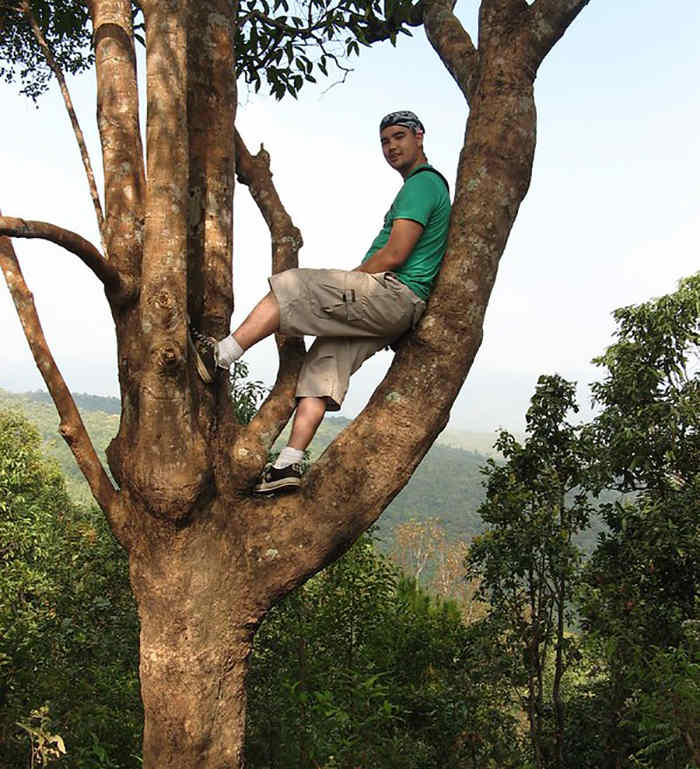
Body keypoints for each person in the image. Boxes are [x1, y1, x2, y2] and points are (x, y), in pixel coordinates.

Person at [190, 110, 451, 493]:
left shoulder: (423, 185)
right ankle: (288, 464)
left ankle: (222, 355)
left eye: (399, 137)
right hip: (401, 308)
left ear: (419, 137)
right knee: (323, 366)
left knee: (294, 286)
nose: (391, 147)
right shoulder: (428, 188)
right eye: (384, 141)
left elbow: (395, 253)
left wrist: (355, 280)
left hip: (391, 292)